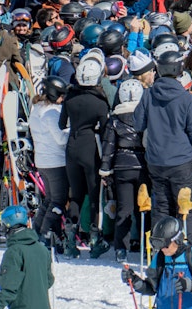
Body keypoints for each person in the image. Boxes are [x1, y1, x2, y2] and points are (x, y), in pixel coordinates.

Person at [134, 46, 192, 225]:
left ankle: (161, 247)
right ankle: (187, 247)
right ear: (179, 70)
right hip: (181, 160)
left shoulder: (148, 95)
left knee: (162, 206)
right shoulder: (187, 98)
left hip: (156, 160)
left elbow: (138, 124)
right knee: (185, 207)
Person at [59, 52, 110, 258]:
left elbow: (62, 124)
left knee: (76, 196)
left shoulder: (70, 98)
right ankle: (95, 240)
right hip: (91, 147)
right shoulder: (100, 103)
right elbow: (106, 132)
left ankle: (71, 239)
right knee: (95, 195)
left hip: (72, 146)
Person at [100, 78, 147, 263]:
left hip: (122, 166)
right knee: (144, 207)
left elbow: (108, 146)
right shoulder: (144, 115)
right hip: (143, 164)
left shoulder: (115, 119)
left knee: (124, 208)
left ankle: (121, 248)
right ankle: (146, 245)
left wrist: (105, 169)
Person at [28, 77, 69, 252]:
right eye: (61, 96)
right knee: (58, 201)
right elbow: (60, 139)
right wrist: (72, 130)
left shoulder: (36, 109)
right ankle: (43, 235)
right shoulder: (52, 113)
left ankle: (36, 232)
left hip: (43, 161)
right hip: (56, 161)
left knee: (50, 200)